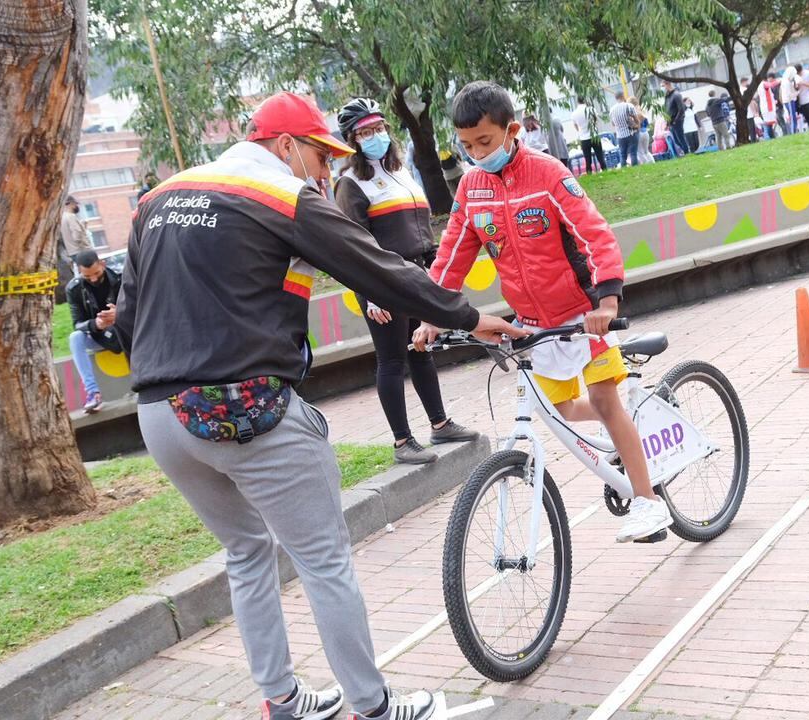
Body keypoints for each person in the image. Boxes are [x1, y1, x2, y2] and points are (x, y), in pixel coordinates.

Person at [113, 91, 524, 720]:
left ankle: (281, 700)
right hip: (249, 409)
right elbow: (377, 267)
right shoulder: (281, 195)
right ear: (284, 146)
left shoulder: (157, 199)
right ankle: (375, 707)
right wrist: (466, 315)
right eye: (319, 155)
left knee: (246, 551)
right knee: (323, 559)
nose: (326, 171)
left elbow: (130, 319)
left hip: (162, 417)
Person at [414, 80, 673, 543]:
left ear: (511, 130)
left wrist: (607, 300)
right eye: (467, 145)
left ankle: (648, 501)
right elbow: (452, 255)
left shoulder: (547, 173)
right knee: (563, 410)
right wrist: (432, 313)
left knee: (604, 402)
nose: (476, 153)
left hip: (583, 314)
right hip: (533, 326)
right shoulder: (473, 189)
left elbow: (594, 234)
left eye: (486, 142)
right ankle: (629, 432)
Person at [332, 98, 481, 464]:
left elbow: (420, 229)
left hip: (416, 276)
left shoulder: (401, 172)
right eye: (365, 132)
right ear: (352, 139)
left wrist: (435, 272)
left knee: (421, 350)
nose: (375, 136)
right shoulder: (350, 184)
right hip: (382, 282)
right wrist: (369, 294)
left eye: (378, 128)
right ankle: (402, 442)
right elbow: (351, 246)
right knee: (391, 360)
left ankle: (440, 423)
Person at [66, 249, 122, 413]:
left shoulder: (121, 278)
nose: (93, 279)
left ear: (102, 264)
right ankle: (93, 394)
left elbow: (142, 309)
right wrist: (95, 325)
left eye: (96, 273)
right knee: (75, 337)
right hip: (100, 335)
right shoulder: (74, 289)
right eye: (87, 276)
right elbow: (77, 323)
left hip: (127, 332)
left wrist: (120, 314)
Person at [571, 97, 606, 173]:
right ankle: (605, 170)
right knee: (600, 156)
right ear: (585, 101)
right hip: (594, 135)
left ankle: (589, 173)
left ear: (577, 101)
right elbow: (596, 120)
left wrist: (581, 131)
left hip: (584, 138)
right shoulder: (591, 109)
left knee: (587, 159)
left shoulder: (574, 113)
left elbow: (576, 126)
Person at [609, 92, 640, 167]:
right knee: (633, 153)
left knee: (623, 155)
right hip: (631, 133)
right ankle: (635, 168)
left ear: (616, 98)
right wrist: (637, 126)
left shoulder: (612, 110)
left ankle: (624, 169)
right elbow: (636, 119)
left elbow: (613, 124)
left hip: (620, 135)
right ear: (623, 96)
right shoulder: (629, 106)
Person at [662, 81, 688, 157]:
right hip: (671, 121)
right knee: (676, 140)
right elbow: (667, 110)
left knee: (680, 138)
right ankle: (683, 152)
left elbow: (681, 109)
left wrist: (675, 121)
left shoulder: (676, 95)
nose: (663, 88)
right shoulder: (667, 96)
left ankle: (686, 152)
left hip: (677, 120)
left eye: (663, 86)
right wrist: (667, 123)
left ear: (668, 84)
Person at [631, 97, 655, 164]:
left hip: (639, 133)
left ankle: (646, 164)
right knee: (646, 151)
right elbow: (647, 122)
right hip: (645, 132)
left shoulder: (633, 111)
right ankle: (652, 163)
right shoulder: (641, 110)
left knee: (640, 152)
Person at [779, 66, 799, 134]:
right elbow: (789, 94)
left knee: (793, 116)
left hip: (789, 100)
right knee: (793, 117)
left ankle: (794, 130)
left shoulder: (786, 81)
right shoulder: (786, 82)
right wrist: (797, 93)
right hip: (789, 101)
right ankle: (793, 131)